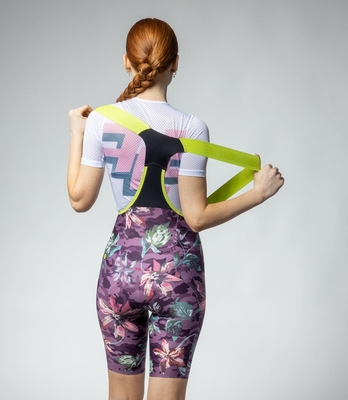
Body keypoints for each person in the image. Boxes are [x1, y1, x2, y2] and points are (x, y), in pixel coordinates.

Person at [67, 18, 284, 400]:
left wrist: (77, 134)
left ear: (126, 61)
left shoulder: (102, 120)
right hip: (178, 277)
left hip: (121, 273)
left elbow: (79, 200)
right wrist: (258, 194)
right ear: (176, 63)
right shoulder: (191, 128)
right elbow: (196, 217)